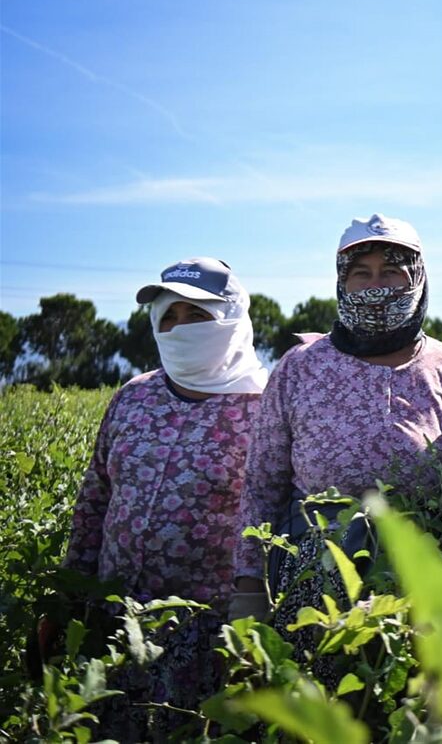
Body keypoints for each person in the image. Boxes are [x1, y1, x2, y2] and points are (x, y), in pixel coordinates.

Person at [231, 214, 442, 641]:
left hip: (425, 591)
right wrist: (250, 586)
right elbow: (262, 485)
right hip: (314, 587)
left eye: (392, 273)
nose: (375, 285)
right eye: (361, 273)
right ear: (342, 281)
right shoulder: (301, 368)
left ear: (418, 278)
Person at [64, 257, 267, 737]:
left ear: (232, 319)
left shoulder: (265, 406)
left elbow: (277, 518)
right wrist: (70, 596)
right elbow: (95, 499)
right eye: (168, 317)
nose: (179, 329)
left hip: (207, 639)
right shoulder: (135, 396)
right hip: (112, 626)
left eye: (197, 316)